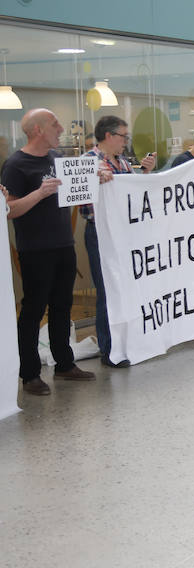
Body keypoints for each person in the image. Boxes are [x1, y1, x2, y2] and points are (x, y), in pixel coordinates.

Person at [1, 108, 95, 395]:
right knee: (33, 310)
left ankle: (64, 364)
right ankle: (29, 374)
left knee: (62, 305)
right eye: (54, 124)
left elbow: (77, 190)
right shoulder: (16, 165)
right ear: (38, 130)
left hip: (64, 244)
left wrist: (96, 178)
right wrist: (39, 193)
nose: (61, 128)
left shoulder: (58, 159)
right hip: (36, 249)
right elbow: (10, 210)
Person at [81, 115, 156, 367]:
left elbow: (133, 197)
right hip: (101, 234)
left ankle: (128, 341)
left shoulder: (123, 162)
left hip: (125, 233)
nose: (126, 141)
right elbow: (79, 199)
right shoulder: (88, 162)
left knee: (126, 288)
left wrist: (145, 173)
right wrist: (93, 181)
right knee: (107, 289)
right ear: (110, 136)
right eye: (124, 136)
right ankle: (109, 347)